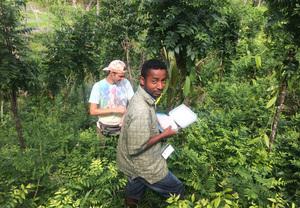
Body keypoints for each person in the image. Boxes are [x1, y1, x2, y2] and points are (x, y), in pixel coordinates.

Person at [117, 59, 184, 207]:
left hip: (130, 162)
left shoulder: (142, 97)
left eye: (163, 81)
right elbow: (135, 148)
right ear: (142, 80)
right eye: (154, 81)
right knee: (177, 188)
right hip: (143, 164)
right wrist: (164, 134)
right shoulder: (141, 110)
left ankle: (130, 205)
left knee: (135, 185)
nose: (160, 86)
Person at [89, 60, 134, 139]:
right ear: (112, 73)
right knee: (102, 150)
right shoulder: (98, 86)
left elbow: (133, 103)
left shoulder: (126, 83)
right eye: (120, 76)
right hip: (104, 129)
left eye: (123, 76)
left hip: (122, 128)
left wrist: (126, 115)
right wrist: (115, 110)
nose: (122, 78)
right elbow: (93, 111)